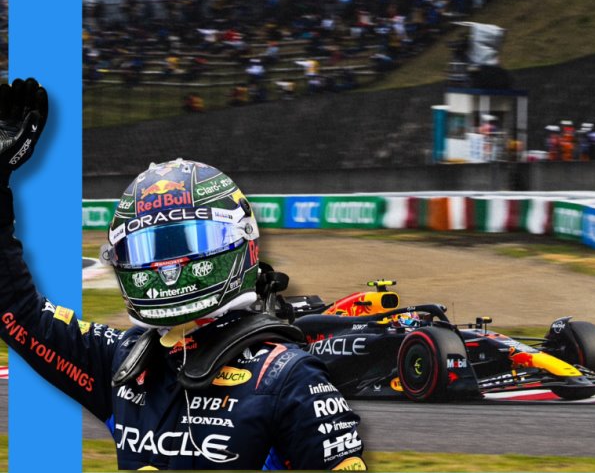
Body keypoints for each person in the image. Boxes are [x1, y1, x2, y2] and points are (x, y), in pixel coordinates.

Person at [0, 79, 366, 471]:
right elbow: (17, 314)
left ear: (238, 240)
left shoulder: (289, 379)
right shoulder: (124, 360)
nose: (166, 266)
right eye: (147, 249)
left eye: (187, 241)